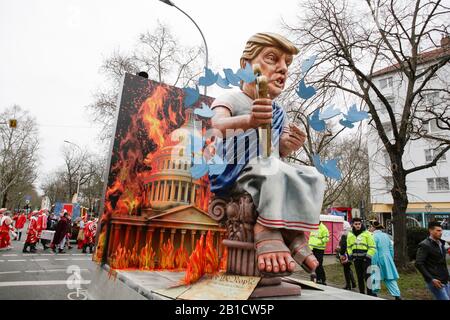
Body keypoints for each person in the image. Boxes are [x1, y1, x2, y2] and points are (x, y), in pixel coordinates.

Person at [209, 32, 325, 276]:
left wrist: (290, 143)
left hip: (266, 171)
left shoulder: (278, 110)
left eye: (287, 64)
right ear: (245, 65)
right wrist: (250, 120)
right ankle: (266, 228)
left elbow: (278, 148)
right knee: (271, 167)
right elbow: (217, 126)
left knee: (313, 175)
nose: (282, 69)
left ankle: (294, 233)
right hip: (235, 174)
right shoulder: (230, 97)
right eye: (272, 58)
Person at [415, 221, 449, 300]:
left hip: (445, 280)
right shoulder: (425, 245)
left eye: (441, 231)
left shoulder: (441, 243)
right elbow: (418, 263)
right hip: (435, 281)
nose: (440, 233)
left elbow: (442, 263)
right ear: (430, 231)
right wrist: (431, 279)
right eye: (438, 231)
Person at [369, 221, 402, 300]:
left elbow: (374, 250)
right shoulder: (386, 236)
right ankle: (397, 295)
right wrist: (390, 258)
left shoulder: (373, 236)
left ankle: (374, 294)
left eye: (370, 227)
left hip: (378, 258)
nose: (369, 228)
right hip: (388, 258)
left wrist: (373, 262)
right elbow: (391, 248)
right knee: (390, 277)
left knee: (375, 276)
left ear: (373, 228)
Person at [347, 217, 376, 296]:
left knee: (368, 277)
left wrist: (368, 256)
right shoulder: (350, 234)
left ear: (361, 224)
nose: (358, 225)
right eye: (356, 224)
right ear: (353, 225)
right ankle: (362, 294)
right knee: (359, 278)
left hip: (366, 259)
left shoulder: (367, 233)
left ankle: (370, 295)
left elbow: (372, 247)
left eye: (359, 224)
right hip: (357, 259)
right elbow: (349, 247)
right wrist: (350, 256)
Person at [308, 220, 330, 285]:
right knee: (314, 264)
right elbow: (311, 238)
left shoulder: (323, 228)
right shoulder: (313, 227)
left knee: (319, 264)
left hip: (319, 249)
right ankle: (317, 278)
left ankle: (322, 279)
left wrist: (319, 242)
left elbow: (327, 238)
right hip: (312, 249)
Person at [337, 220, 357, 290]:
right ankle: (353, 283)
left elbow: (343, 246)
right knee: (348, 269)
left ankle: (348, 285)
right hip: (351, 254)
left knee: (346, 270)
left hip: (345, 255)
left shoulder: (344, 235)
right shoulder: (352, 234)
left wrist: (341, 253)